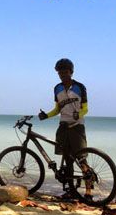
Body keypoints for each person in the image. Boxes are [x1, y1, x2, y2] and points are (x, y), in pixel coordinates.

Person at [38, 58, 89, 195]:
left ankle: (88, 192)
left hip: (77, 127)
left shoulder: (80, 87)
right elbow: (57, 109)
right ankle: (71, 190)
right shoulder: (57, 88)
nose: (63, 75)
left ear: (71, 72)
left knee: (81, 158)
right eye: (60, 73)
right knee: (67, 161)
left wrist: (79, 114)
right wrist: (46, 116)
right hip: (63, 126)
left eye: (65, 72)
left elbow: (86, 108)